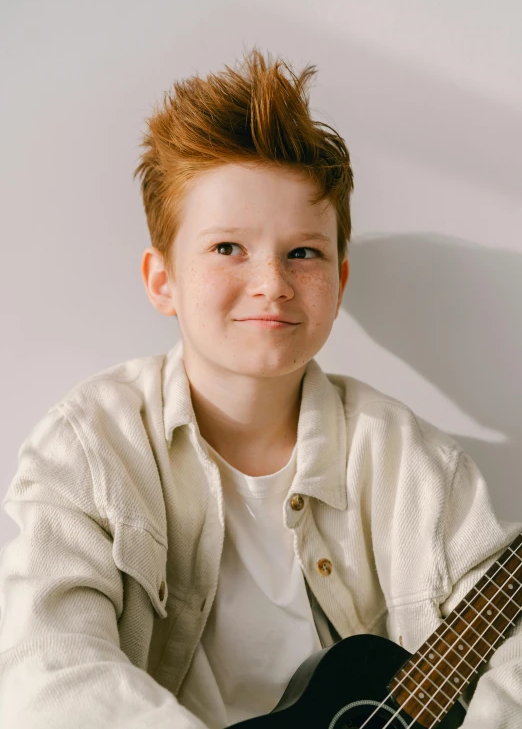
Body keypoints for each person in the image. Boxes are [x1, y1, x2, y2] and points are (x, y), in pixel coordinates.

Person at [0, 48, 520, 729]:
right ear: (162, 280)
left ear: (340, 282)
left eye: (303, 252)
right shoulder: (88, 447)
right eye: (227, 249)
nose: (272, 282)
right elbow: (45, 667)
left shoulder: (411, 462)